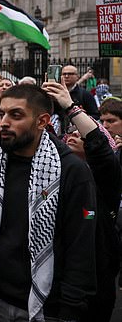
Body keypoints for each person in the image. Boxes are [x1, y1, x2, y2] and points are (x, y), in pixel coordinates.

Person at [0, 84, 97, 322]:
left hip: (51, 307)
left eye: (15, 115)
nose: (3, 122)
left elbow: (81, 244)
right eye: (1, 114)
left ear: (42, 121)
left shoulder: (71, 171)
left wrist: (70, 308)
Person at [44, 80, 122, 322]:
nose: (74, 135)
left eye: (81, 134)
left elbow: (98, 143)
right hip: (58, 276)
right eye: (71, 132)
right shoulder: (59, 171)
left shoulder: (106, 175)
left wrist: (70, 106)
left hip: (96, 276)